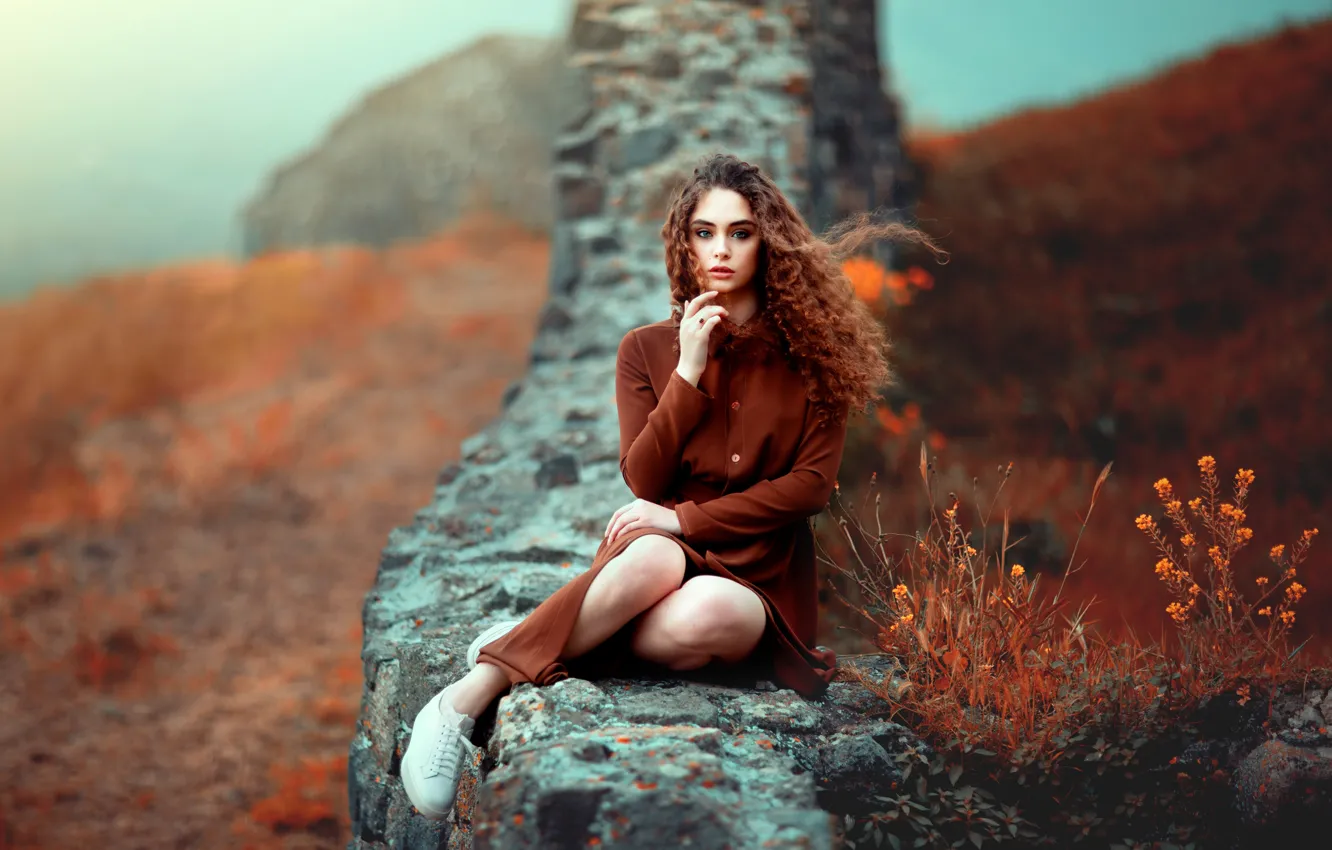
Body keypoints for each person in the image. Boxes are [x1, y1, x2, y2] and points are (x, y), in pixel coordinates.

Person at [400, 152, 945, 819]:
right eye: (705, 232)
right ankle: (460, 702)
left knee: (713, 609)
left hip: (756, 580)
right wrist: (688, 372)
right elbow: (643, 478)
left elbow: (809, 489)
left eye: (740, 232)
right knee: (654, 553)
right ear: (684, 244)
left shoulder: (817, 360)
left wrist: (684, 520)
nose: (722, 249)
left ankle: (531, 636)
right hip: (655, 563)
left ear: (767, 243)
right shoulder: (646, 350)